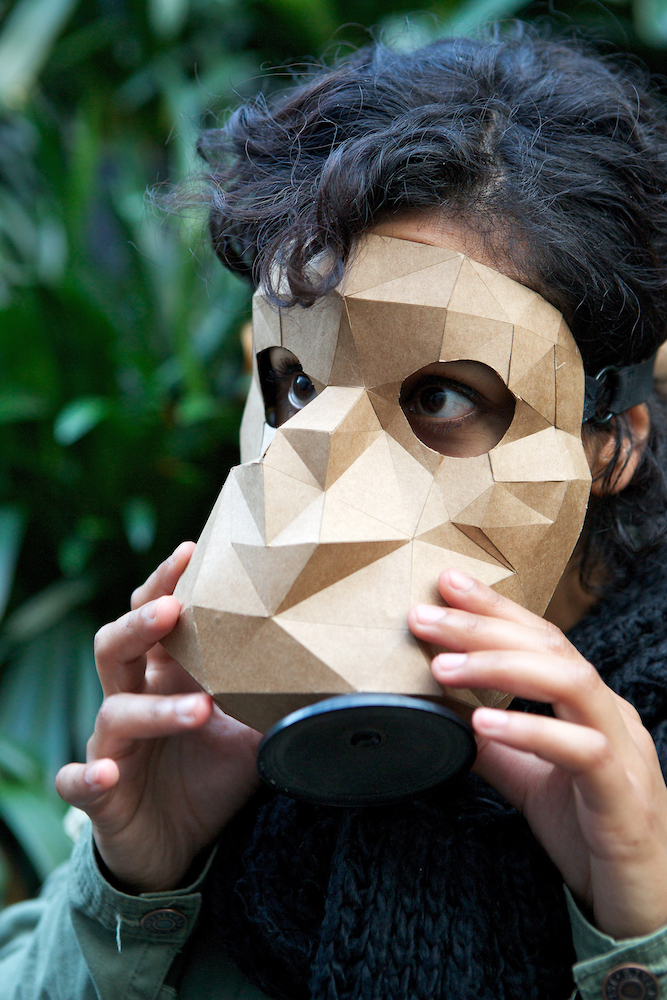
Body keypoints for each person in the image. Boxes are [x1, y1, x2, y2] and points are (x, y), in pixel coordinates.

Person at [3, 25, 667, 1000]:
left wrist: (641, 936)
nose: (319, 477)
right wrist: (130, 889)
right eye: (296, 384)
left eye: (440, 395)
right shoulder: (203, 749)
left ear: (613, 443)